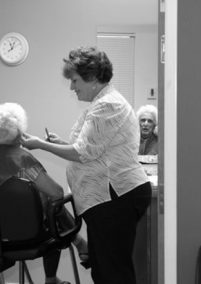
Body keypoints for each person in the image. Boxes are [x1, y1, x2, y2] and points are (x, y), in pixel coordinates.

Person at [21, 46, 152, 284]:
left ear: (92, 78)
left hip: (115, 197)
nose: (72, 87)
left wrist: (40, 144)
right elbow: (91, 147)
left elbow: (82, 152)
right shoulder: (100, 103)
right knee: (103, 269)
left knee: (113, 271)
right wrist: (61, 143)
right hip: (105, 200)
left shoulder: (108, 105)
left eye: (74, 80)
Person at [0, 102, 88, 284]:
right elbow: (56, 192)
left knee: (44, 203)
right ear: (20, 130)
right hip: (25, 235)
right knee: (51, 206)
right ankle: (55, 274)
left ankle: (78, 244)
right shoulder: (22, 159)